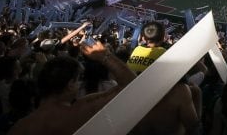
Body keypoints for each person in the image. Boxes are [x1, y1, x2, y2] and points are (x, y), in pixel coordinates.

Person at [7, 39, 135, 135]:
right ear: (70, 84)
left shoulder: (20, 127)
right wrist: (104, 56)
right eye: (79, 79)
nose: (81, 83)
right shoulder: (80, 111)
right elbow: (131, 85)